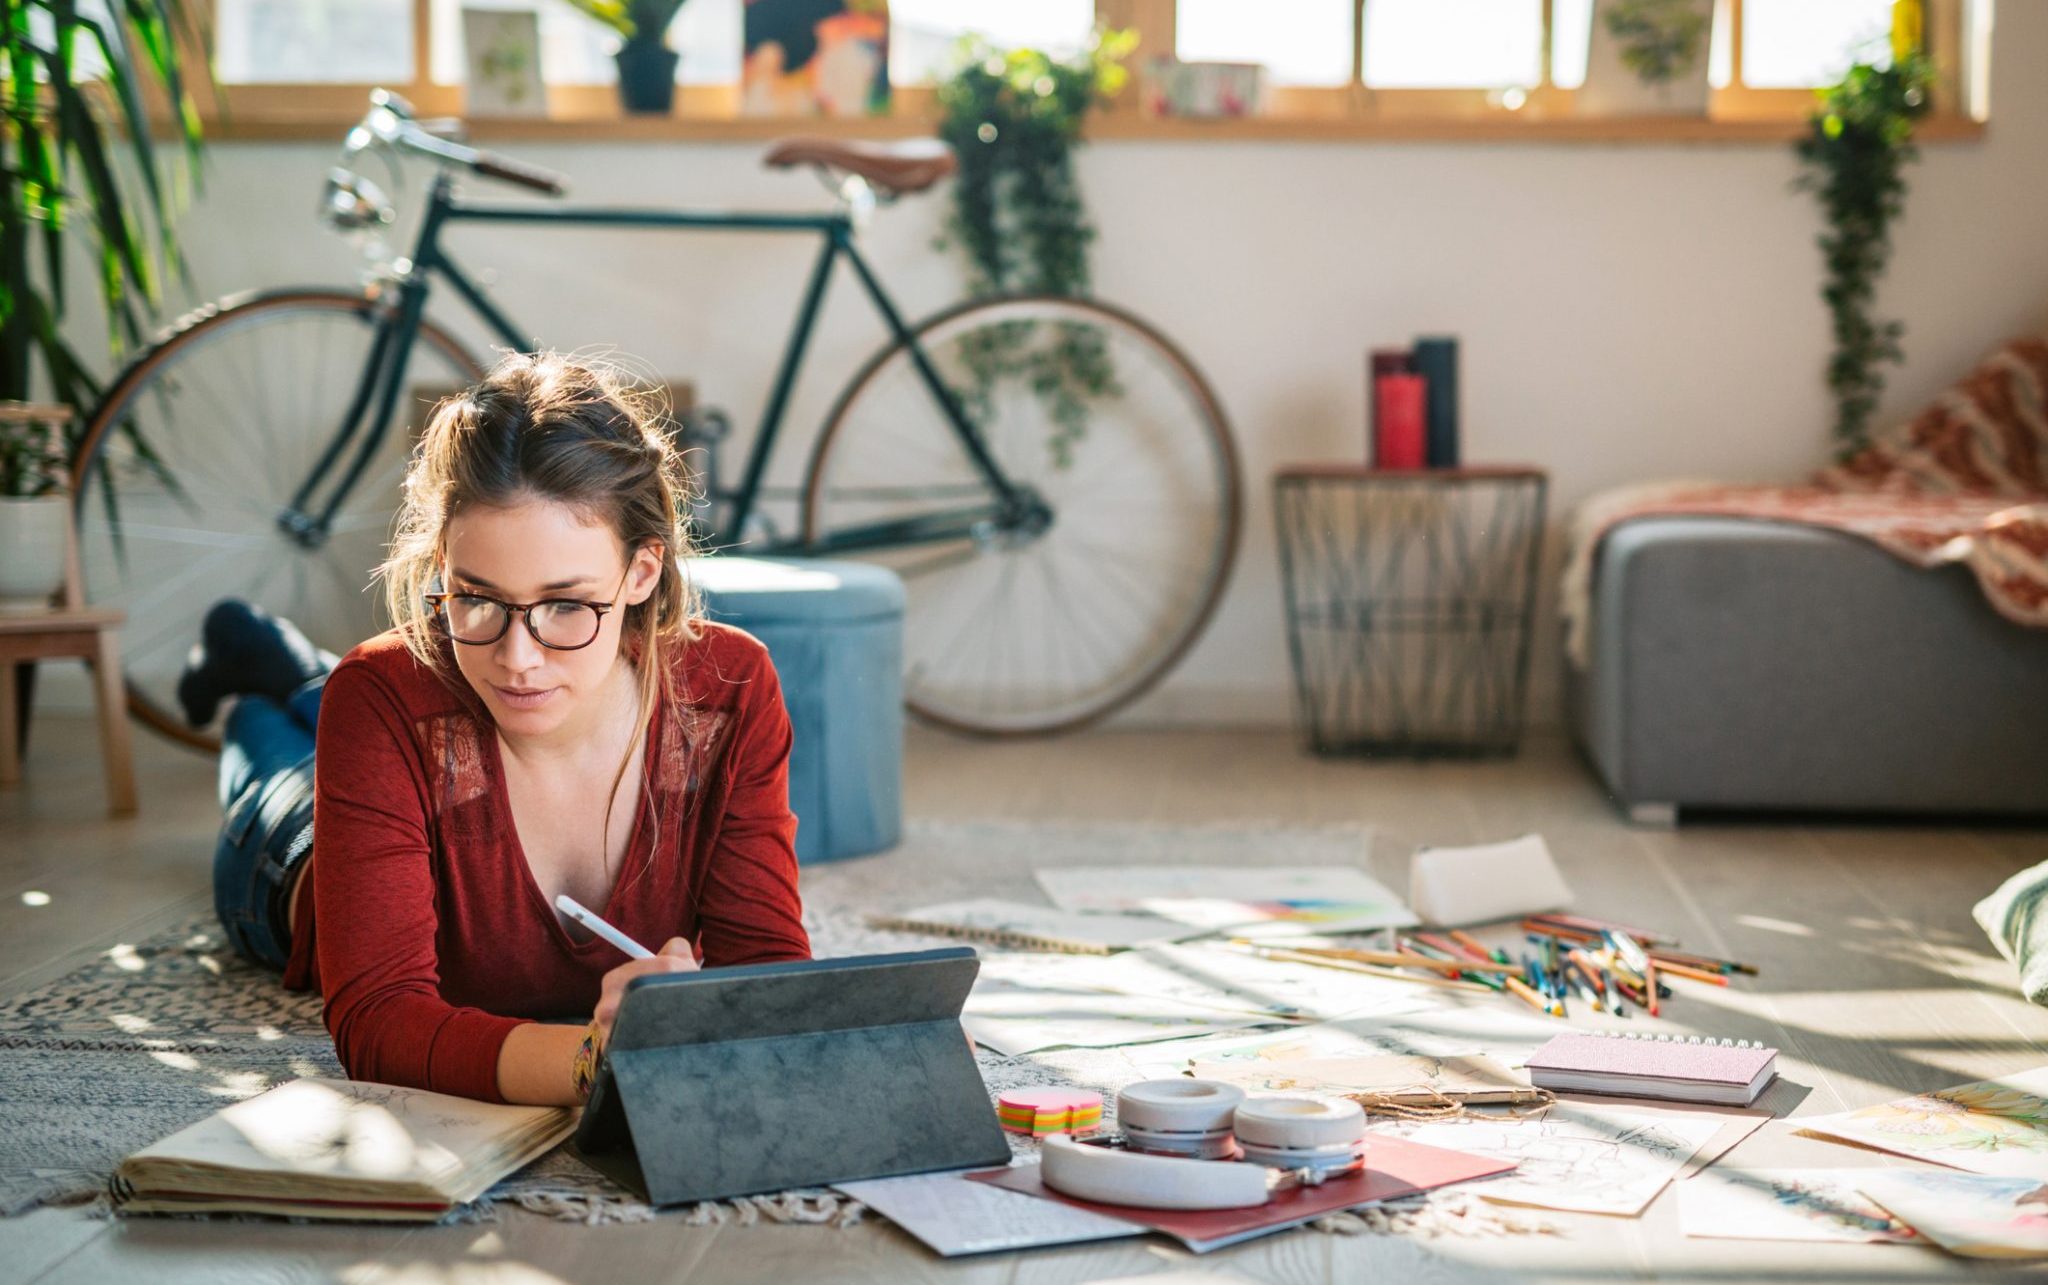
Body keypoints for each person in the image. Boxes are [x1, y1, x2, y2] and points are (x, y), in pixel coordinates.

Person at [185, 353, 811, 1106]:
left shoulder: (727, 692)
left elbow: (770, 975)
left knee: (393, 696)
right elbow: (378, 1023)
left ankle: (272, 660)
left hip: (421, 717)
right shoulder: (383, 696)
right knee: (270, 734)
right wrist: (593, 1060)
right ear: (441, 566)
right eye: (475, 597)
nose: (518, 659)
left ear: (641, 574)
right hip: (290, 856)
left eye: (566, 605)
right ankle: (256, 672)